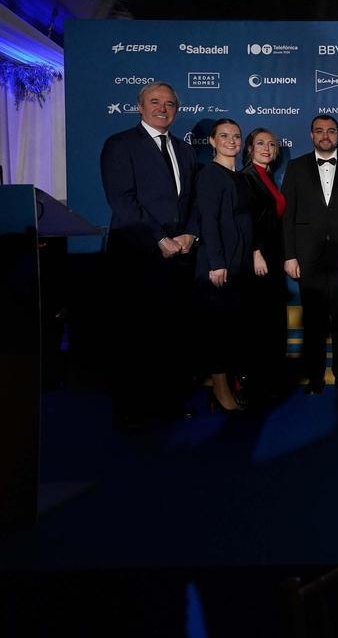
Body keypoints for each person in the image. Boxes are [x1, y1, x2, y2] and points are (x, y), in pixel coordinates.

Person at [99, 80, 197, 428]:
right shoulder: (120, 145)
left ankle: (168, 402)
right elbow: (122, 200)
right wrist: (160, 239)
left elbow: (190, 202)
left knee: (170, 334)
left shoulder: (185, 151)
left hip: (177, 260)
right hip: (137, 257)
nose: (162, 108)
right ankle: (132, 410)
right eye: (154, 102)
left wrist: (190, 233)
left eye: (169, 103)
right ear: (139, 106)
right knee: (135, 336)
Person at [280, 115, 338, 394]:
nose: (325, 136)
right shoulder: (295, 168)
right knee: (314, 320)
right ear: (311, 135)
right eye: (319, 131)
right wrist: (289, 255)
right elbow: (287, 216)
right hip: (308, 256)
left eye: (331, 131)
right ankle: (315, 377)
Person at [191, 119, 253, 413]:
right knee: (218, 330)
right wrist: (216, 263)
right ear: (212, 141)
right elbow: (209, 220)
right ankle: (218, 388)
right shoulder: (209, 176)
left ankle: (227, 384)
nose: (231, 140)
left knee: (231, 328)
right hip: (218, 265)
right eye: (224, 136)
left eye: (236, 136)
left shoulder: (240, 177)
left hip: (237, 263)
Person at [242, 127, 289, 404]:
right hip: (257, 258)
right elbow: (246, 220)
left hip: (273, 256)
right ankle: (254, 386)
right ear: (249, 148)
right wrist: (255, 251)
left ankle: (270, 382)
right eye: (260, 143)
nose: (266, 148)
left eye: (271, 144)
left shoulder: (268, 176)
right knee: (258, 322)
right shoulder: (246, 178)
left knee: (271, 320)